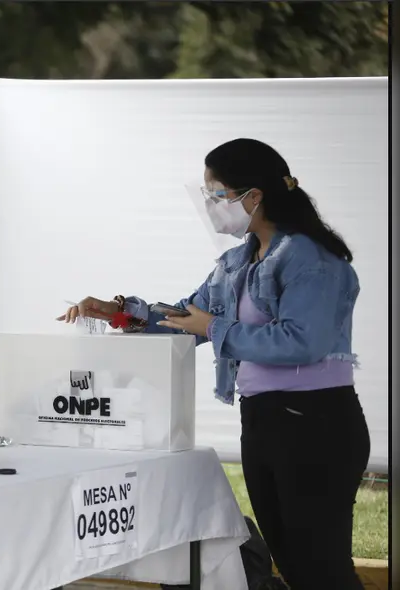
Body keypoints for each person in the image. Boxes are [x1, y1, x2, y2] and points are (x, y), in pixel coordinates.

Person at [61, 138, 368, 590]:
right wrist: (119, 311)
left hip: (316, 423)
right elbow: (188, 316)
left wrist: (214, 329)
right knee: (293, 561)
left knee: (322, 568)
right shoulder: (237, 262)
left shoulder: (312, 259)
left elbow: (303, 342)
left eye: (217, 193)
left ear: (254, 196)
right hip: (263, 419)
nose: (210, 204)